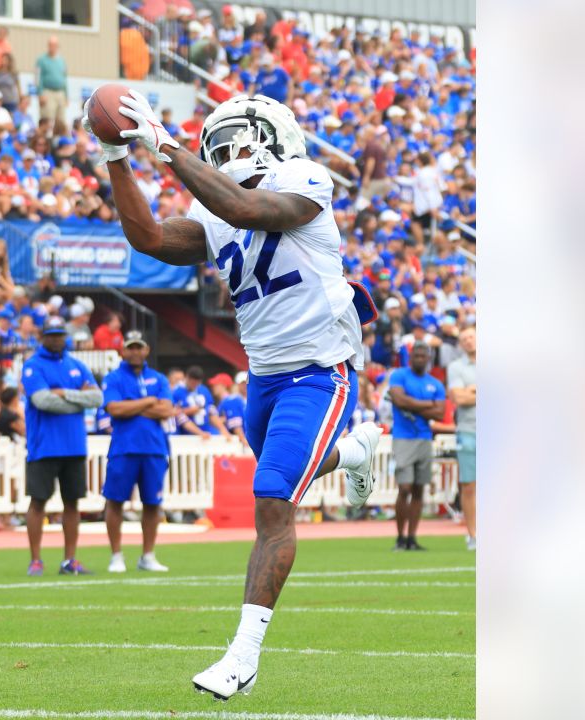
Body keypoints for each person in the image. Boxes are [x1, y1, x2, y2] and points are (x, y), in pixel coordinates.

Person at [88, 90, 383, 699]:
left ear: (276, 138)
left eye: (239, 140)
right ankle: (354, 453)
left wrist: (164, 145)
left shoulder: (304, 178)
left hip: (320, 371)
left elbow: (251, 210)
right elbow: (147, 237)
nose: (228, 153)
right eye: (216, 146)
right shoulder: (217, 214)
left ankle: (242, 657)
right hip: (264, 378)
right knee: (290, 474)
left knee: (272, 501)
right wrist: (116, 155)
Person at [21, 317, 104, 575]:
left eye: (60, 335)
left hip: (74, 445)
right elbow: (43, 401)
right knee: (38, 503)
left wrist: (64, 393)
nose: (57, 339)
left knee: (72, 503)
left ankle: (70, 560)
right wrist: (78, 400)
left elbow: (97, 397)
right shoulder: (33, 365)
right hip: (44, 445)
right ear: (43, 337)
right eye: (52, 335)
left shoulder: (76, 364)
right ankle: (36, 559)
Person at [100, 331, 176, 573]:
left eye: (138, 347)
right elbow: (114, 408)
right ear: (123, 350)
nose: (134, 352)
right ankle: (116, 555)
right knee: (115, 501)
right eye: (130, 348)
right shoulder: (114, 377)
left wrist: (132, 405)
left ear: (146, 350)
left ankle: (148, 555)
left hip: (154, 448)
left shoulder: (158, 377)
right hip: (124, 448)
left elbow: (166, 410)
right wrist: (148, 402)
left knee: (152, 503)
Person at [385, 342, 446, 551]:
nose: (420, 358)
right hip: (403, 437)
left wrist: (411, 403)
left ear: (428, 359)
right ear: (411, 358)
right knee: (404, 487)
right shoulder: (399, 375)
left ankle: (412, 538)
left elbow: (440, 414)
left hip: (425, 438)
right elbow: (399, 401)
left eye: (423, 355)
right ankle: (400, 537)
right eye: (417, 355)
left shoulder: (436, 384)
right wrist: (428, 405)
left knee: (419, 489)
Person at [447, 327, 477, 550]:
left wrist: (473, 391)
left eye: (471, 337)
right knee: (468, 485)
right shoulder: (456, 367)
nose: (468, 341)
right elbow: (458, 398)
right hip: (468, 430)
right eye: (463, 339)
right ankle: (473, 535)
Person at [36, 36, 68, 126]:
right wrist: (40, 93)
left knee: (61, 121)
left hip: (60, 93)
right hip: (47, 92)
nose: (52, 47)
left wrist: (66, 96)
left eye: (54, 45)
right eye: (50, 45)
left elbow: (64, 78)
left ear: (58, 46)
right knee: (48, 120)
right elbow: (38, 78)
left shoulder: (62, 61)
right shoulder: (41, 60)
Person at [213, 372, 249, 449]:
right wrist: (243, 439)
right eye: (242, 383)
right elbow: (235, 423)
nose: (244, 386)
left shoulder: (237, 400)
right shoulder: (233, 399)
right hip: (239, 442)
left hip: (246, 441)